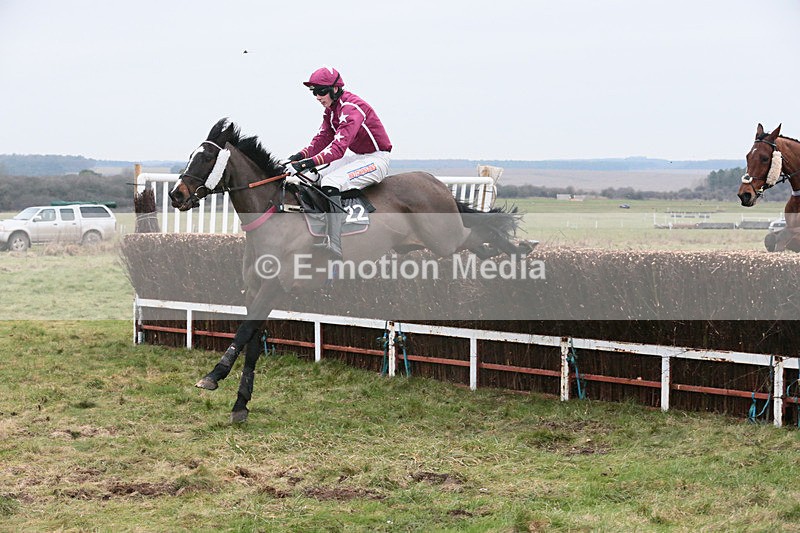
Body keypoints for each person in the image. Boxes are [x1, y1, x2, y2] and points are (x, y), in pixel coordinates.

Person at [288, 67, 393, 259]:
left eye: (321, 91)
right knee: (308, 176)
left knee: (331, 182)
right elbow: (321, 140)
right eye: (314, 92)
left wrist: (305, 163)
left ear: (335, 89)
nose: (317, 97)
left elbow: (337, 148)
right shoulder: (331, 110)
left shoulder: (351, 108)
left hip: (377, 159)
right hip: (358, 157)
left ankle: (334, 244)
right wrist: (298, 157)